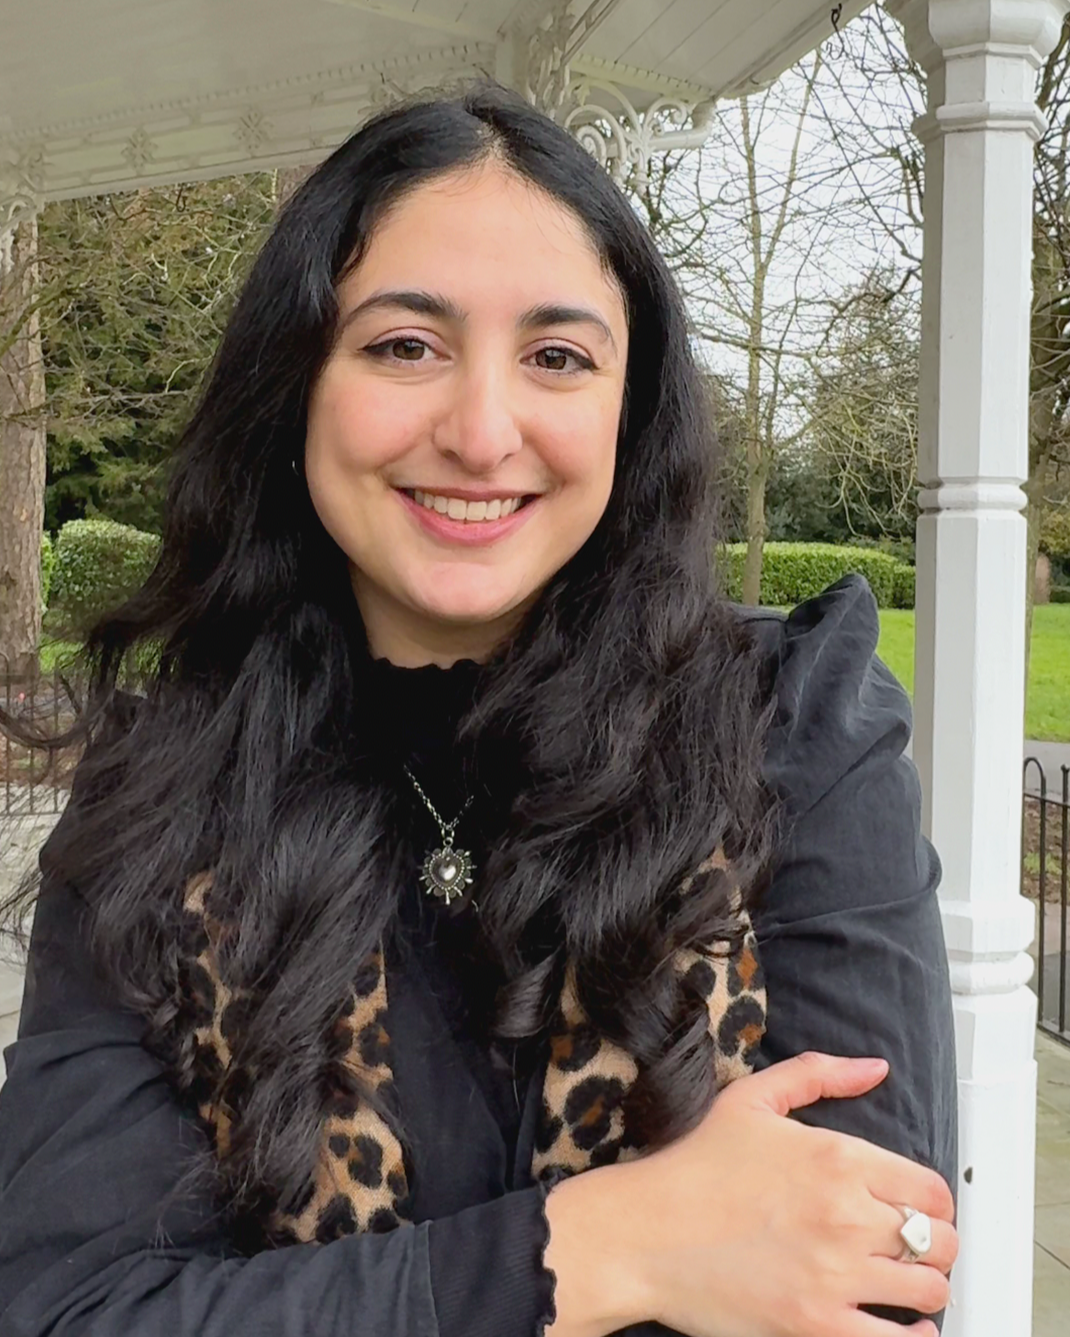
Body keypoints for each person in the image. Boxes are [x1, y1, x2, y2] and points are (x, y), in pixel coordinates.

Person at [0, 81, 958, 1337]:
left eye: (556, 357)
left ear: (630, 410)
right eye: (405, 345)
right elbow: (69, 1307)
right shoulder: (162, 788)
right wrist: (601, 1249)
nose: (480, 430)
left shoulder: (792, 725)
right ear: (296, 382)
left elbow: (873, 1275)